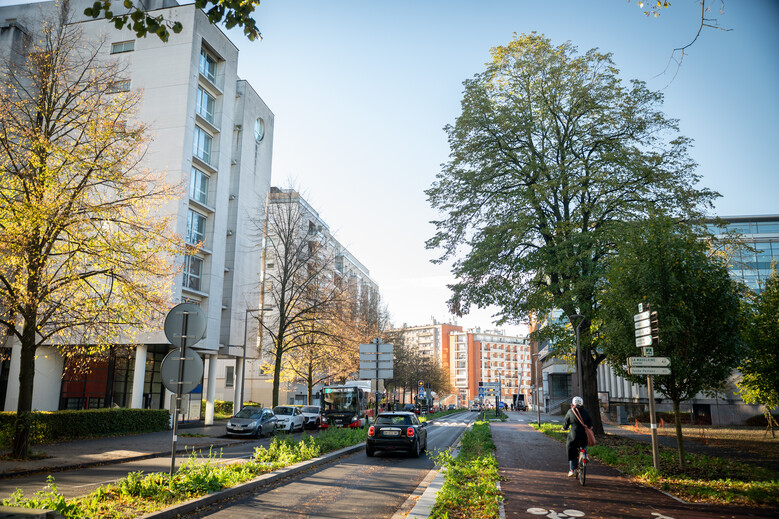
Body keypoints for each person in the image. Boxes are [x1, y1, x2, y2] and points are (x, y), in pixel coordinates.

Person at [562, 396, 592, 477]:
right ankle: (585, 455)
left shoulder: (570, 411)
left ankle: (572, 470)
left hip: (574, 435)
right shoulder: (585, 412)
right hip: (584, 436)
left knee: (571, 449)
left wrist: (564, 428)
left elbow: (566, 423)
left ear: (573, 403)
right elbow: (590, 424)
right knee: (583, 445)